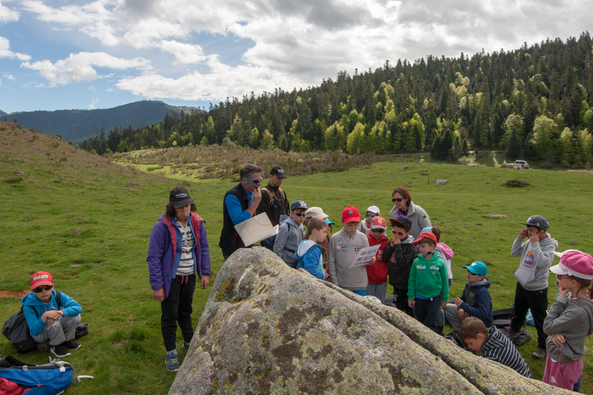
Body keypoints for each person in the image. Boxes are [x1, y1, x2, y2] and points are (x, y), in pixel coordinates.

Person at [147, 186, 211, 371]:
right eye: (180, 206)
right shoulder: (161, 227)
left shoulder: (197, 223)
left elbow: (204, 248)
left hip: (189, 275)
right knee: (170, 315)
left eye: (187, 205)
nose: (185, 209)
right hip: (170, 279)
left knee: (186, 310)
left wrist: (204, 273)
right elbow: (154, 257)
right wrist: (157, 285)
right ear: (172, 207)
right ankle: (171, 352)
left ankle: (189, 341)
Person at [508, 215, 558, 360]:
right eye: (527, 229)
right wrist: (520, 238)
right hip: (523, 283)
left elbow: (543, 263)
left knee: (539, 317)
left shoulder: (550, 244)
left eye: (531, 229)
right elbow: (515, 252)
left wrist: (535, 244)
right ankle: (514, 332)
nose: (528, 231)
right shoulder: (530, 241)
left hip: (537, 287)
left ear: (541, 231)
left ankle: (543, 346)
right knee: (518, 311)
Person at [542, 250, 593, 390]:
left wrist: (559, 301)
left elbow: (547, 326)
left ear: (574, 282)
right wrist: (553, 333)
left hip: (562, 363)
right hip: (561, 358)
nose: (557, 279)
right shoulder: (574, 298)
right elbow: (553, 328)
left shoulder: (577, 310)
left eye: (559, 275)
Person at [22, 271, 82, 358]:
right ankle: (56, 346)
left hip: (54, 324)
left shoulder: (57, 295)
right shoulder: (28, 306)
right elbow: (34, 331)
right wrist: (44, 317)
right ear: (33, 291)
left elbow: (77, 307)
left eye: (47, 287)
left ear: (52, 286)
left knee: (75, 316)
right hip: (40, 334)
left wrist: (60, 313)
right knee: (53, 323)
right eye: (38, 289)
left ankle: (67, 341)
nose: (43, 291)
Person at [459, 317, 533, 379]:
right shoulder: (496, 334)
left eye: (470, 343)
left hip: (521, 381)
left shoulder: (492, 355)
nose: (469, 347)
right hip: (526, 373)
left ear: (480, 337)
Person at [219, 164, 264, 259]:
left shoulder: (252, 193)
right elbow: (240, 221)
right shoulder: (232, 195)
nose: (259, 183)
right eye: (256, 181)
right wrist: (255, 204)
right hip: (233, 246)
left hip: (247, 243)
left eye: (261, 180)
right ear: (244, 180)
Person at [407, 232, 449, 332]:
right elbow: (412, 279)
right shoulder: (416, 262)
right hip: (419, 296)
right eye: (419, 246)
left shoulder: (440, 263)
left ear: (432, 247)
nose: (420, 249)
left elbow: (445, 281)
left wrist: (444, 297)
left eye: (423, 246)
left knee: (431, 321)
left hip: (434, 297)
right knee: (420, 321)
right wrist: (410, 296)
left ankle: (432, 340)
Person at [328, 206, 373, 296]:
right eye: (349, 225)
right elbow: (331, 262)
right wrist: (335, 283)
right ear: (342, 222)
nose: (353, 228)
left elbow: (367, 258)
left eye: (355, 224)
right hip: (342, 285)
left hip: (360, 284)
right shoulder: (335, 238)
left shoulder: (363, 237)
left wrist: (371, 261)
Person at [444, 261, 493, 332]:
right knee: (444, 307)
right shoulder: (469, 284)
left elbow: (482, 314)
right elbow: (462, 300)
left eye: (472, 273)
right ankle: (460, 331)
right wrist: (460, 308)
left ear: (480, 277)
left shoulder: (483, 292)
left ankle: (467, 333)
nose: (468, 274)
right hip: (469, 315)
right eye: (468, 271)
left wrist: (463, 306)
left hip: (481, 324)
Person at [384, 216, 416, 315]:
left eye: (400, 233)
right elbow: (385, 258)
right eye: (394, 232)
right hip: (395, 280)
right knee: (401, 303)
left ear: (408, 232)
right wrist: (391, 247)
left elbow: (402, 263)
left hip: (404, 283)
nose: (397, 235)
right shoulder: (393, 242)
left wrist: (397, 247)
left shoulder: (410, 247)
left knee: (401, 307)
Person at [259, 166, 290, 250]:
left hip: (282, 232)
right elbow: (261, 218)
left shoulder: (282, 192)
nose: (280, 180)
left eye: (282, 178)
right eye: (278, 178)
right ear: (271, 176)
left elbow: (287, 211)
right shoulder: (265, 194)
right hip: (269, 236)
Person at [273, 200, 307, 268]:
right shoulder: (285, 226)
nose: (302, 217)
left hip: (297, 263)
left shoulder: (301, 226)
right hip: (287, 263)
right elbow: (278, 247)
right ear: (292, 213)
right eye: (299, 214)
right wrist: (280, 264)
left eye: (304, 214)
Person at [365, 216, 390, 303]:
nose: (377, 233)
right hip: (368, 280)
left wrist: (385, 273)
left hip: (382, 281)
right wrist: (365, 239)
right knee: (368, 303)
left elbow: (388, 260)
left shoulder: (386, 242)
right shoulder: (366, 240)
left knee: (381, 304)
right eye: (375, 230)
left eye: (380, 231)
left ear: (384, 230)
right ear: (370, 228)